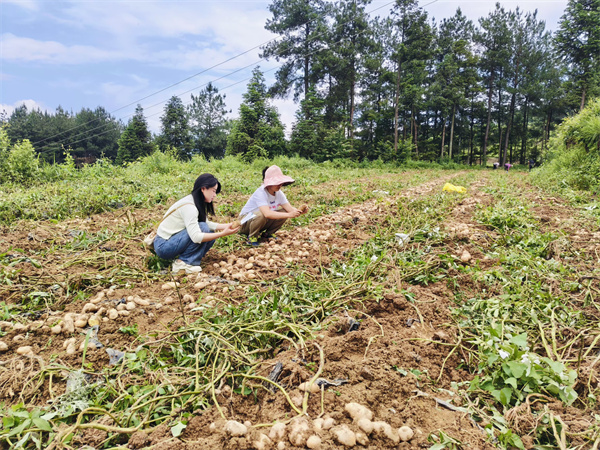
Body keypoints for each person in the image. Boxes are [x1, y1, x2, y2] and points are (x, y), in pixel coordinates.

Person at [153, 173, 239, 274]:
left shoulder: (195, 201)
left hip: (172, 240)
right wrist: (222, 233)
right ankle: (183, 263)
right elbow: (196, 237)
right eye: (213, 191)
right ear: (203, 189)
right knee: (203, 228)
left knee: (209, 230)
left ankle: (187, 259)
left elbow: (206, 223)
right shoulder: (190, 207)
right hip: (163, 246)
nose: (215, 195)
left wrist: (227, 226)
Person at [238, 165, 307, 245]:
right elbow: (267, 214)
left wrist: (300, 211)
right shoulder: (260, 193)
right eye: (276, 183)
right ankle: (252, 237)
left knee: (284, 211)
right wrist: (289, 214)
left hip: (260, 222)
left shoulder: (279, 193)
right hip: (244, 224)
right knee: (261, 214)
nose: (280, 185)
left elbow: (290, 210)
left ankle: (268, 234)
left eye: (280, 182)